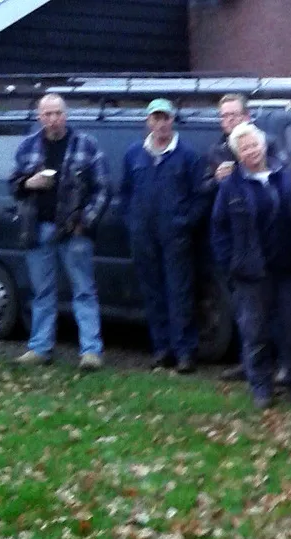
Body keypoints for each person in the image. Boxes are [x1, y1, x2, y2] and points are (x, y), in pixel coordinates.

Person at [210, 122, 291, 410]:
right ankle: (261, 388)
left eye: (254, 145)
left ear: (263, 146)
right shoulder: (230, 185)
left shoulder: (285, 176)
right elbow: (219, 228)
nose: (251, 151)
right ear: (237, 154)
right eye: (244, 148)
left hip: (289, 268)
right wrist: (230, 263)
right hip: (252, 273)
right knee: (255, 333)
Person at [10, 93, 110, 371]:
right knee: (42, 292)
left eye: (58, 113)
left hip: (73, 230)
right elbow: (13, 184)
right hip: (37, 228)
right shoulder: (28, 146)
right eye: (47, 114)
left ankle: (90, 351)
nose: (53, 119)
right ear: (40, 117)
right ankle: (40, 348)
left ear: (66, 115)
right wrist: (29, 182)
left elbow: (103, 188)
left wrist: (85, 221)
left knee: (84, 291)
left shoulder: (86, 145)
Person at [203, 93, 291, 385]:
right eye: (223, 116)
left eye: (233, 115)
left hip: (272, 246)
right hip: (238, 245)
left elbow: (281, 173)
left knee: (277, 315)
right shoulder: (217, 149)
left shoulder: (268, 143)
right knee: (246, 315)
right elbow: (202, 190)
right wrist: (217, 179)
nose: (228, 121)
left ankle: (280, 368)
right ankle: (251, 367)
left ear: (246, 116)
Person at [121, 98, 206, 373]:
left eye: (165, 118)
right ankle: (162, 349)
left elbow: (200, 196)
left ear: (173, 120)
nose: (161, 124)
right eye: (155, 118)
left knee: (180, 294)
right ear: (148, 122)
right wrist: (132, 221)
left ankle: (185, 352)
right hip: (143, 236)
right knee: (153, 293)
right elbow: (124, 192)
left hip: (176, 237)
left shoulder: (188, 155)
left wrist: (184, 223)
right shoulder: (134, 154)